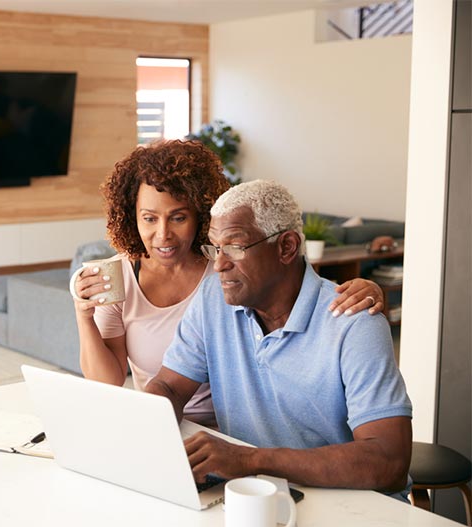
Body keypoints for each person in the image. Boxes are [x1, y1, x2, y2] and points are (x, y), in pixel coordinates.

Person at [72, 140, 386, 427]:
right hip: (167, 418)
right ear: (133, 217)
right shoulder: (120, 276)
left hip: (237, 427)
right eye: (150, 218)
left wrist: (364, 289)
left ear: (201, 216)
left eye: (178, 217)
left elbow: (295, 287)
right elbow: (111, 381)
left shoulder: (227, 269)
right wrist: (83, 316)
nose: (163, 234)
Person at [146, 179, 412, 499]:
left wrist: (249, 460)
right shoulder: (212, 299)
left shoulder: (353, 322)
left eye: (234, 247)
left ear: (285, 247)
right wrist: (149, 432)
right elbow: (170, 386)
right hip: (255, 495)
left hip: (347, 503)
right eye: (214, 248)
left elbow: (389, 463)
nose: (219, 264)